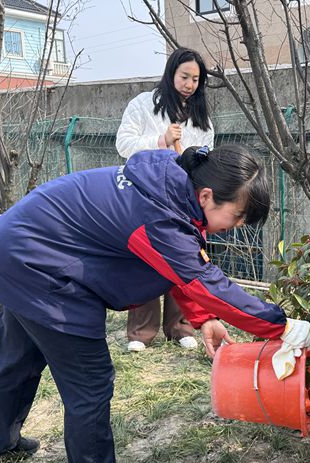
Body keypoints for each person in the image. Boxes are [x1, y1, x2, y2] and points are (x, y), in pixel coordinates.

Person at [0, 145, 310, 463]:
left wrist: (203, 317)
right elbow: (203, 281)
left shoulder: (167, 188)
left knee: (17, 357)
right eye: (238, 215)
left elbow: (176, 267)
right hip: (39, 267)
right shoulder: (159, 215)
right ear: (207, 196)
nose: (237, 226)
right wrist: (281, 326)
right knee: (90, 381)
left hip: (15, 248)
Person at [115, 47, 214, 353]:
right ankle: (141, 331)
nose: (189, 84)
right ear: (171, 73)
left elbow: (208, 155)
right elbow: (123, 144)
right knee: (146, 258)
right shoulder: (143, 104)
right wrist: (161, 141)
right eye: (185, 76)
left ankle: (180, 326)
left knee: (183, 257)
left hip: (183, 199)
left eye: (195, 79)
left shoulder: (201, 117)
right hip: (146, 194)